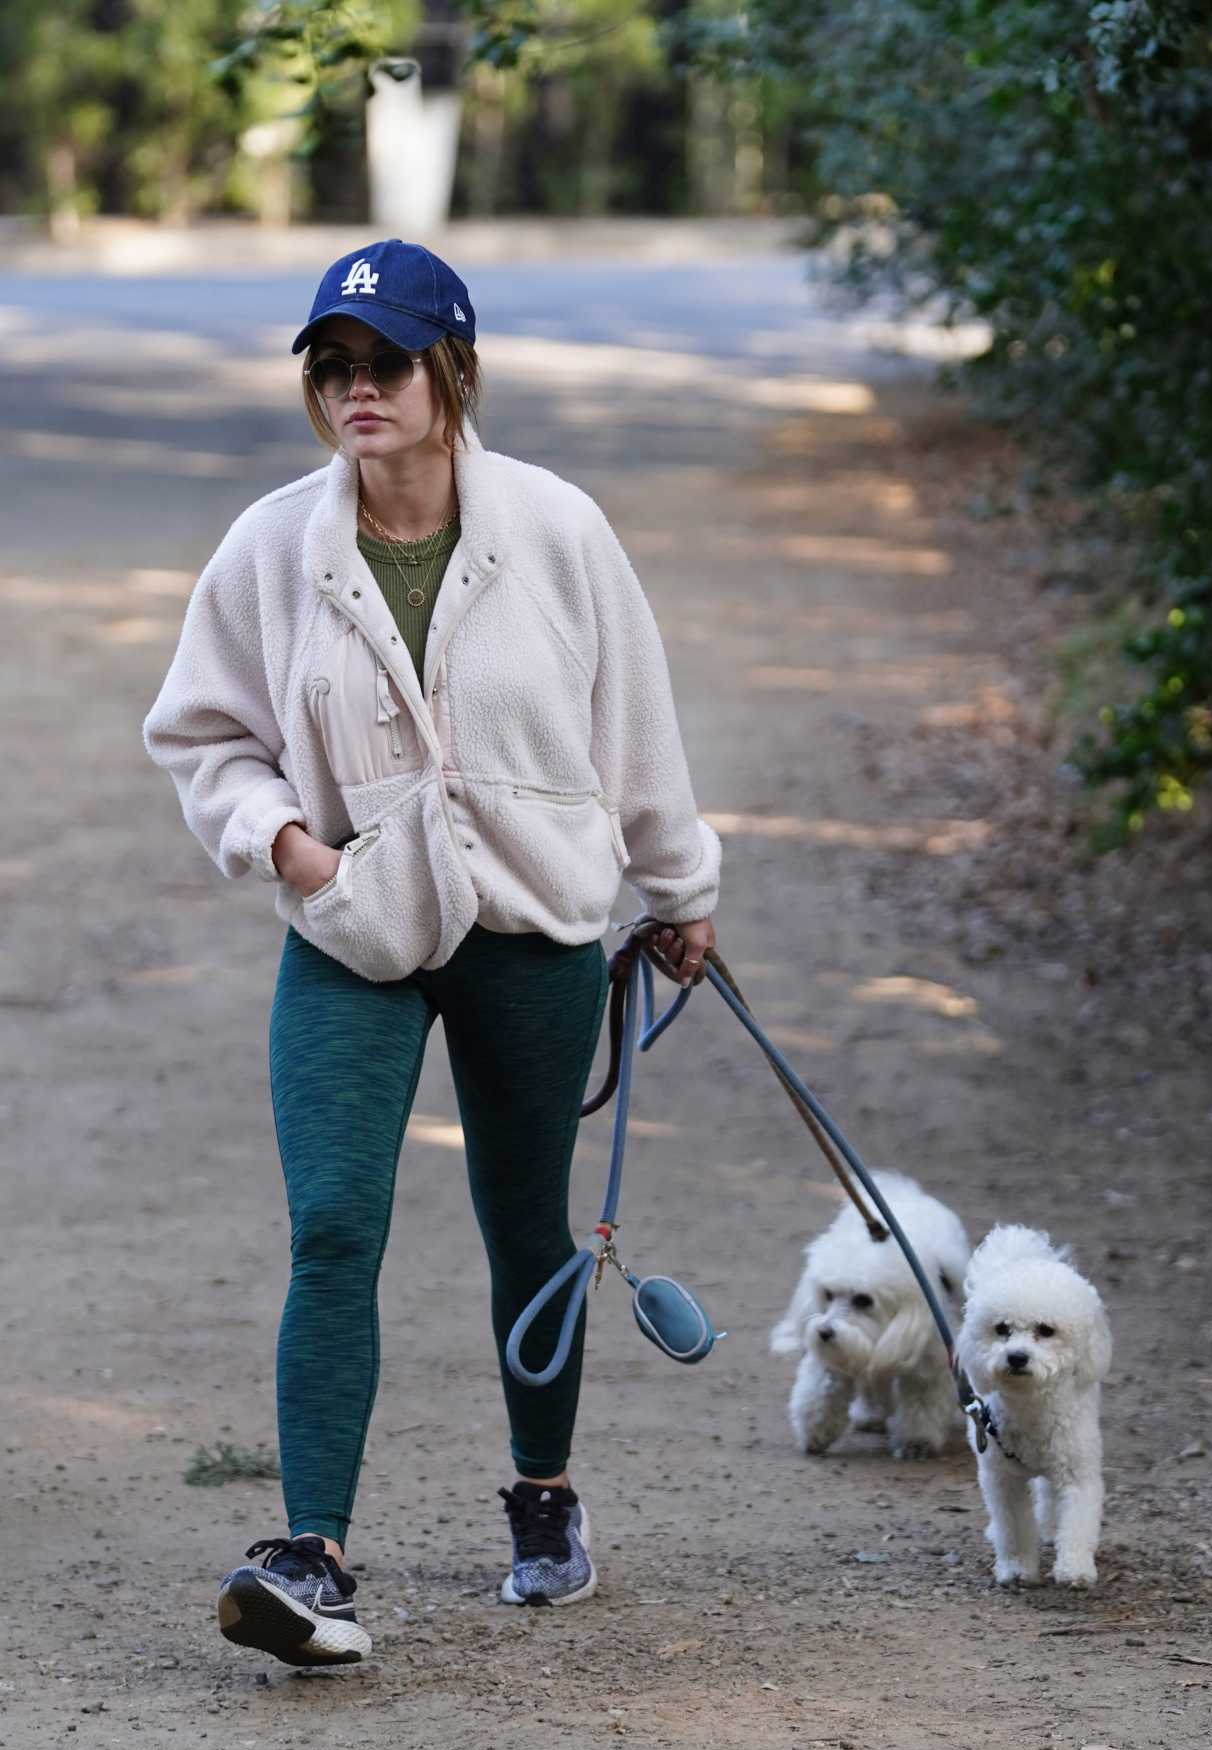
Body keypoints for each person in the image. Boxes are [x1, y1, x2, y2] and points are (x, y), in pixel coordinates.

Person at [143, 240, 720, 1667]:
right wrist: (290, 849)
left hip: (534, 923)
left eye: (384, 363)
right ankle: (311, 1557)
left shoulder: (558, 528)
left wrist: (675, 888)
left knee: (528, 1230)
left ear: (450, 371)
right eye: (331, 367)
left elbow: (631, 724)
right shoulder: (273, 544)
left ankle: (542, 1502)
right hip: (355, 925)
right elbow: (202, 736)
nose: (357, 390)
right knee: (334, 1222)